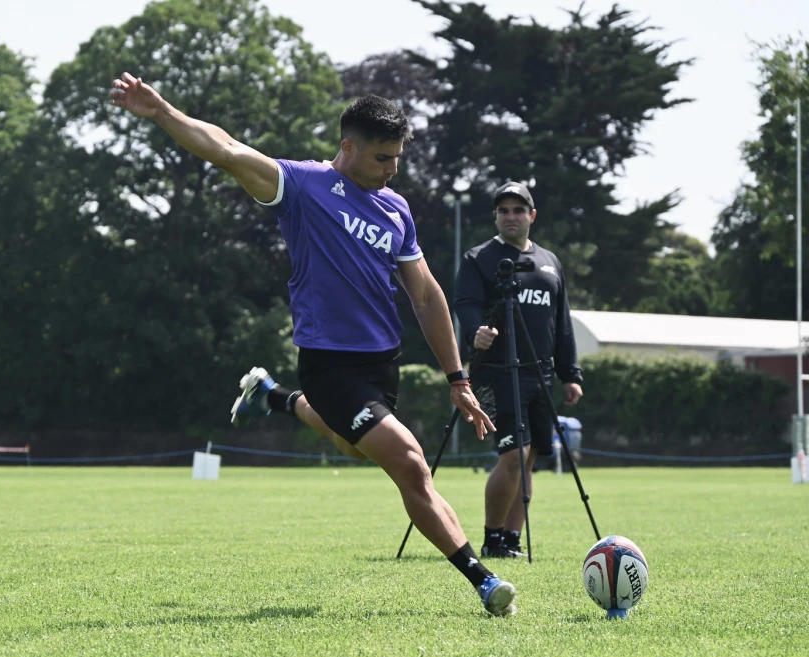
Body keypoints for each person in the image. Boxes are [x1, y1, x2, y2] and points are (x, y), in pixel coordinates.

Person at [109, 73, 517, 616]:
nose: (392, 168)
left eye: (397, 157)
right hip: (330, 365)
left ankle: (275, 396)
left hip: (382, 366)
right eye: (381, 157)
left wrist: (458, 378)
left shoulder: (396, 209)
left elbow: (425, 295)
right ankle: (484, 581)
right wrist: (161, 112)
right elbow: (227, 150)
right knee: (411, 464)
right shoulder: (301, 186)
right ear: (347, 147)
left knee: (353, 448)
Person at [454, 182, 584, 558]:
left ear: (532, 216)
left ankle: (512, 539)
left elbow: (562, 324)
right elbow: (464, 305)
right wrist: (475, 331)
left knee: (529, 458)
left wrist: (571, 374)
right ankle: (492, 538)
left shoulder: (550, 262)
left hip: (539, 375)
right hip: (496, 372)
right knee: (512, 455)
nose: (511, 216)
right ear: (495, 216)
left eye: (518, 210)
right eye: (503, 210)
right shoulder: (478, 258)